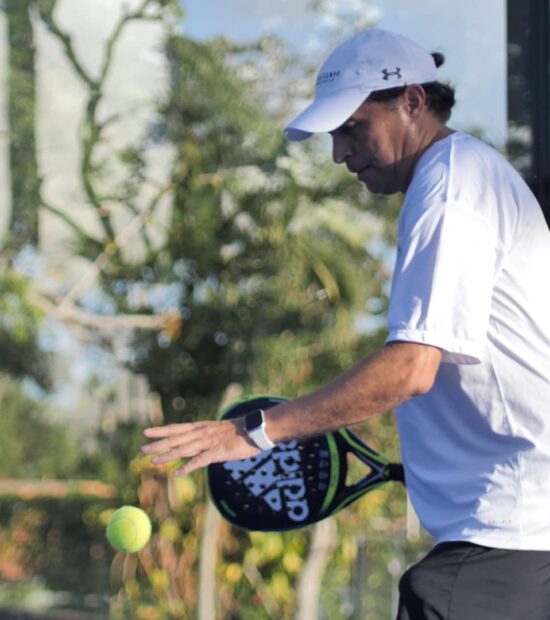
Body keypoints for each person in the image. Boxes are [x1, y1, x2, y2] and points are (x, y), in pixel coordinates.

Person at [142, 28, 550, 619]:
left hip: (506, 542)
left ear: (412, 101)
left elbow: (411, 369)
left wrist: (255, 431)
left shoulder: (450, 189)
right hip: (519, 535)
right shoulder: (472, 175)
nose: (339, 152)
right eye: (335, 133)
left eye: (352, 127)